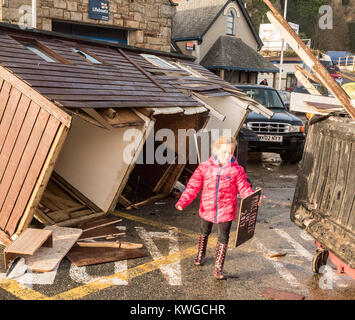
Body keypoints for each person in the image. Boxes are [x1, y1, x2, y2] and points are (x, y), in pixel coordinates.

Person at [175, 136, 262, 280]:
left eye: (230, 153)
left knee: (224, 236)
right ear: (216, 150)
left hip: (227, 209)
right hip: (207, 207)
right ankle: (200, 254)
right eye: (224, 152)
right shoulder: (204, 167)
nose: (227, 156)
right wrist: (183, 202)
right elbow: (193, 186)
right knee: (204, 231)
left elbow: (244, 188)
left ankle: (218, 268)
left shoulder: (237, 170)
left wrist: (253, 198)